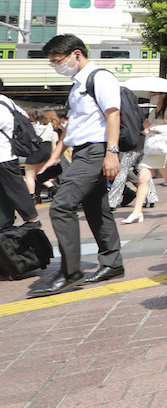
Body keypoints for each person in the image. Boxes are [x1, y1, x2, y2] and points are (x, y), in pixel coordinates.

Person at [31, 35, 125, 296]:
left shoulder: (100, 77)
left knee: (61, 205)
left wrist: (112, 152)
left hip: (96, 151)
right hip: (82, 151)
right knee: (96, 208)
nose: (56, 66)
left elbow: (113, 114)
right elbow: (72, 125)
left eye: (58, 61)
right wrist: (55, 155)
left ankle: (71, 272)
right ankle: (112, 263)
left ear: (76, 54)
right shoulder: (77, 85)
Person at [126, 93, 167, 223]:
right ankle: (137, 212)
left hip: (164, 150)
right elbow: (148, 130)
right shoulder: (153, 112)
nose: (152, 96)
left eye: (155, 94)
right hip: (151, 149)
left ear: (163, 95)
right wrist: (144, 127)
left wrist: (154, 127)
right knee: (143, 178)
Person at [0, 91, 40, 227]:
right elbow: (25, 116)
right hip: (8, 154)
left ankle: (32, 220)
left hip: (3, 156)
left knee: (15, 189)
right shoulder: (6, 101)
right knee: (10, 189)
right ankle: (10, 221)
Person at [24, 109, 59, 203]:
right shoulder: (48, 125)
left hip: (35, 150)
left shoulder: (31, 126)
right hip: (46, 150)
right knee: (39, 174)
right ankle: (52, 187)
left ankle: (32, 196)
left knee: (29, 176)